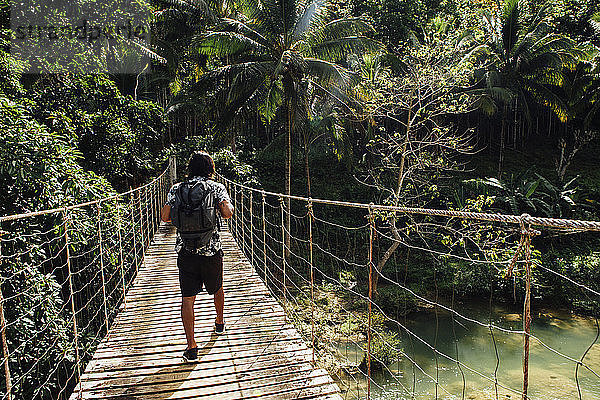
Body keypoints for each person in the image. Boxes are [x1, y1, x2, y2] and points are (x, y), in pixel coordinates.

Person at [161, 152, 233, 362]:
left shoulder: (176, 189)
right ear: (210, 168)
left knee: (188, 299)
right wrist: (223, 206)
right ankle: (219, 323)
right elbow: (227, 213)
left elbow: (165, 217)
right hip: (211, 250)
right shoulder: (217, 187)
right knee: (217, 287)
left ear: (190, 168)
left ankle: (192, 347)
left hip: (186, 252)